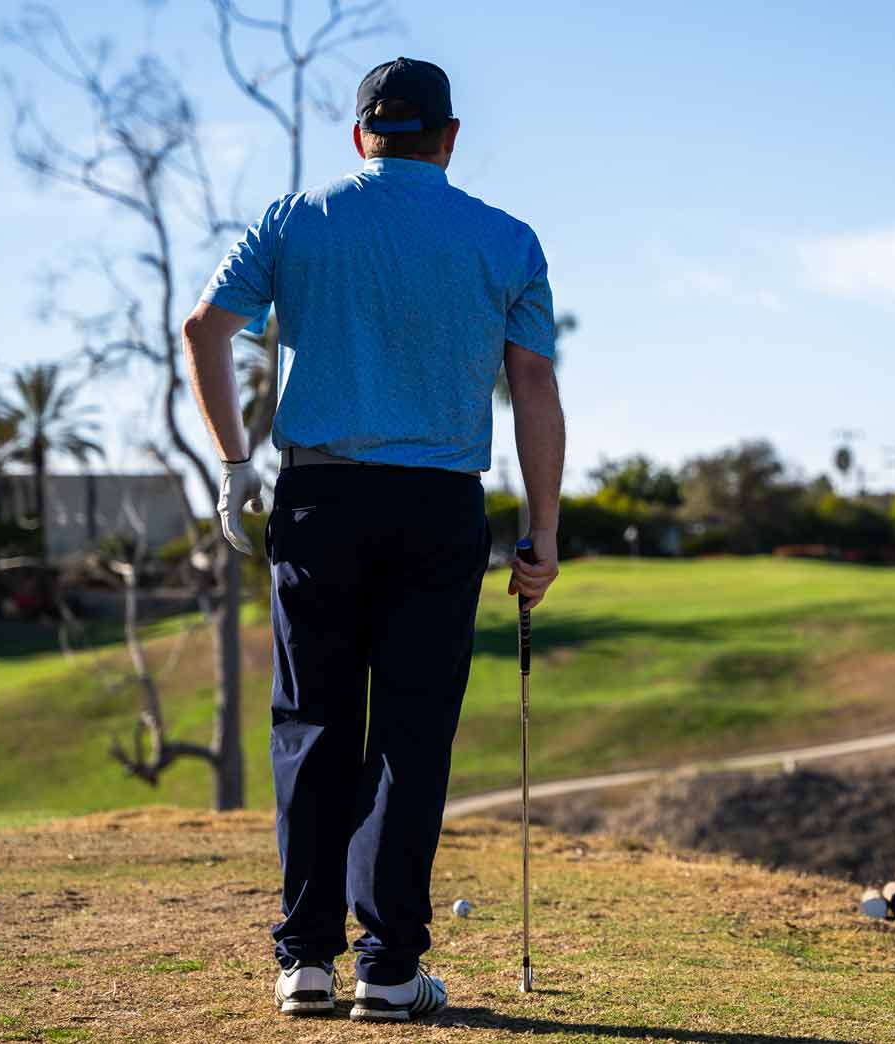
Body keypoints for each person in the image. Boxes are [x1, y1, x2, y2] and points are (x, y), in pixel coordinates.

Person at [179, 56, 563, 1023]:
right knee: (409, 733)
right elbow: (534, 386)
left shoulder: (295, 219)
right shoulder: (507, 239)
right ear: (449, 138)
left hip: (320, 500)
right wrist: (543, 532)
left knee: (312, 724)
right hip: (439, 507)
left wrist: (234, 464)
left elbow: (203, 329)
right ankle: (389, 970)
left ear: (361, 136)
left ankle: (305, 962)